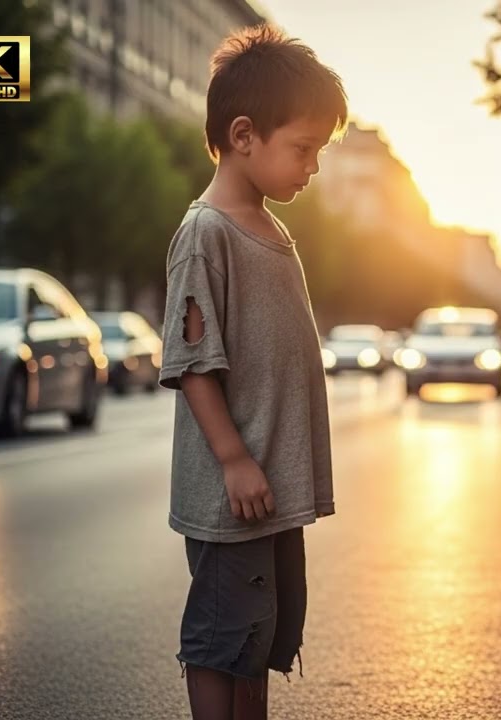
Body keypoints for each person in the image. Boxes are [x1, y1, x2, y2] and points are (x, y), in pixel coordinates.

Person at [157, 24, 348, 720]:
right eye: (304, 148)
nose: (313, 166)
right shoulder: (207, 232)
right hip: (232, 496)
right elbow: (194, 366)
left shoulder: (270, 226)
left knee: (259, 635)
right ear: (244, 136)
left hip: (271, 491)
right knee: (219, 639)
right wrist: (234, 459)